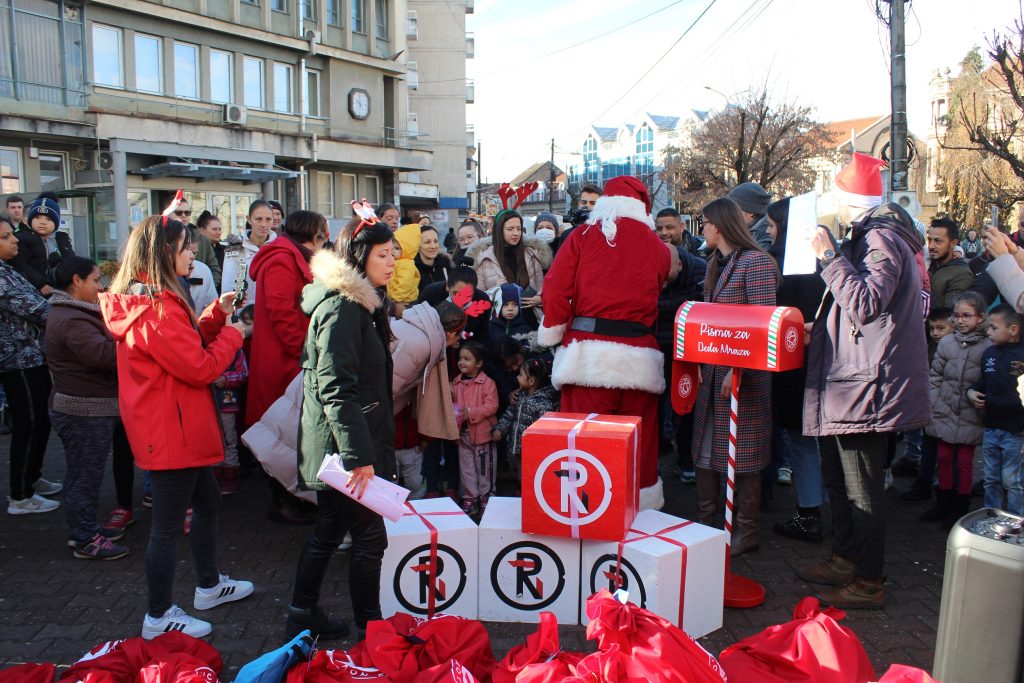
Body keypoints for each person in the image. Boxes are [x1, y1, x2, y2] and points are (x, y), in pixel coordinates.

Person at [101, 214, 253, 638]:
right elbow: (200, 366)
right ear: (164, 252)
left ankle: (207, 585)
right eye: (186, 246)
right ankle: (158, 615)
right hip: (171, 430)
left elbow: (182, 349)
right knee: (167, 527)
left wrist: (215, 317)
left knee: (206, 503)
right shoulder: (155, 308)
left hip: (172, 425)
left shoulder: (154, 302)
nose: (194, 252)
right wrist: (235, 333)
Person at [798, 153, 931, 610]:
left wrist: (829, 257)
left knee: (863, 488)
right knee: (839, 477)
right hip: (853, 379)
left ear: (845, 196)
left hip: (867, 384)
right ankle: (844, 557)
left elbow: (868, 302)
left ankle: (869, 580)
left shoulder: (881, 236)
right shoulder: (874, 234)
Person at [287, 221, 396, 641]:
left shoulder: (359, 304)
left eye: (392, 254)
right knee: (370, 538)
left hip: (340, 445)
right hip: (342, 450)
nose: (390, 262)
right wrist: (359, 458)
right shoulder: (342, 308)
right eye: (382, 254)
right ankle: (370, 629)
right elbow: (336, 389)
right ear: (359, 255)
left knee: (329, 531)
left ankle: (301, 613)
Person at [539, 176, 671, 510]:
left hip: (589, 358)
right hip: (641, 360)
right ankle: (639, 521)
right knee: (638, 447)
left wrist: (553, 332)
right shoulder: (658, 248)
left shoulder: (582, 236)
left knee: (583, 448)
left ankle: (583, 517)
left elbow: (554, 289)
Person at [691, 197, 778, 557]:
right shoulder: (717, 262)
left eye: (706, 222)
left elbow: (763, 322)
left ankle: (745, 530)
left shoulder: (755, 262)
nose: (703, 229)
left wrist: (737, 368)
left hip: (744, 375)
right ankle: (709, 523)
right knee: (708, 447)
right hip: (712, 372)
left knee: (742, 457)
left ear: (721, 225)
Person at [44, 253, 129, 558]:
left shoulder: (75, 312)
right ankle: (85, 538)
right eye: (95, 280)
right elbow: (104, 356)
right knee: (84, 476)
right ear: (76, 281)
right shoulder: (71, 319)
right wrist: (132, 337)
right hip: (82, 411)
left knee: (84, 473)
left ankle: (85, 528)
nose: (100, 286)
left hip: (86, 407)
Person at [247, 210, 325, 524]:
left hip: (290, 359)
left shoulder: (290, 256)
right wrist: (303, 352)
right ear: (313, 232)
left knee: (291, 431)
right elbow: (282, 314)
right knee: (282, 431)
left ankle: (293, 498)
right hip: (284, 361)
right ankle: (282, 501)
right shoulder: (282, 259)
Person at [764, 198, 828, 544]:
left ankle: (809, 511)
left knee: (801, 442)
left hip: (791, 364)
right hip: (826, 360)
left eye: (773, 226)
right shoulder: (827, 261)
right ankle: (821, 503)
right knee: (818, 442)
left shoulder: (778, 265)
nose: (769, 233)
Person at [0, 218, 59, 515]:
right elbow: (38, 308)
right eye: (6, 236)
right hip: (17, 361)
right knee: (29, 423)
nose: (14, 241)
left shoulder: (9, 270)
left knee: (40, 421)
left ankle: (32, 479)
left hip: (34, 356)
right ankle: (20, 496)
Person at [921, 292, 990, 527]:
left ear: (980, 318)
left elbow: (988, 378)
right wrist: (934, 399)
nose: (961, 320)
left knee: (964, 459)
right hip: (945, 408)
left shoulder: (987, 345)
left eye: (967, 316)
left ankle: (960, 507)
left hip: (971, 412)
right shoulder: (948, 342)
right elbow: (935, 375)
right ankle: (943, 501)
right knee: (943, 456)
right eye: (957, 315)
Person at [968, 304, 1024, 515]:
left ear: (1013, 329)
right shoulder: (989, 354)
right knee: (991, 479)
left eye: (993, 328)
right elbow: (982, 382)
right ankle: (991, 518)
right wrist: (971, 392)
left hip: (1015, 431)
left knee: (1013, 481)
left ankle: (1016, 523)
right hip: (991, 428)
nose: (988, 332)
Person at [900, 306, 955, 503]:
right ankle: (924, 483)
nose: (935, 333)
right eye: (932, 329)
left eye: (941, 328)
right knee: (928, 446)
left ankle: (942, 487)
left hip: (947, 407)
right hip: (929, 404)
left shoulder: (954, 348)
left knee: (946, 452)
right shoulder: (929, 345)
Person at [493, 358, 559, 489]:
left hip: (531, 452)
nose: (517, 377)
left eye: (521, 374)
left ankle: (528, 501)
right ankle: (521, 496)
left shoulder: (544, 404)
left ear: (531, 381)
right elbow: (508, 415)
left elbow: (545, 432)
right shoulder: (519, 397)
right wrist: (500, 429)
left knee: (531, 478)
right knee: (519, 476)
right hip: (515, 448)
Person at [451, 342, 499, 515]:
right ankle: (470, 498)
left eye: (467, 359)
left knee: (484, 468)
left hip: (482, 435)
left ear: (479, 363)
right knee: (466, 468)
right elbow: (453, 408)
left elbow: (492, 406)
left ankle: (486, 497)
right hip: (463, 435)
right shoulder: (455, 384)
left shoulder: (487, 383)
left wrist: (470, 412)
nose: (461, 362)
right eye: (460, 359)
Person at [469, 209, 550, 310]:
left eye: (519, 229)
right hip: (498, 321)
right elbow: (477, 298)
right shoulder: (484, 258)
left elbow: (541, 289)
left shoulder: (531, 255)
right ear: (499, 230)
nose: (516, 233)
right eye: (510, 229)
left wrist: (540, 298)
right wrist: (495, 290)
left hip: (530, 319)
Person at [10, 196, 74, 296]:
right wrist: (40, 284)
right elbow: (21, 265)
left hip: (60, 291)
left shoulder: (62, 239)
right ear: (29, 220)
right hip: (33, 292)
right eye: (37, 217)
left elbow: (71, 262)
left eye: (48, 219)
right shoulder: (22, 238)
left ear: (56, 223)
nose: (42, 222)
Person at [221, 199, 277, 300]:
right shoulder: (235, 249)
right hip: (243, 312)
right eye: (258, 219)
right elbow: (228, 289)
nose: (264, 224)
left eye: (268, 219)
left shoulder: (279, 249)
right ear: (249, 219)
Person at [418, 266, 491, 342]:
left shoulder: (482, 300)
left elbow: (483, 335)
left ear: (474, 291)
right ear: (447, 286)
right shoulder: (431, 293)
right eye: (456, 293)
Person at [165, 194, 222, 288]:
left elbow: (214, 269)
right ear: (167, 214)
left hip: (197, 291)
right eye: (178, 212)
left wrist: (206, 287)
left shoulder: (202, 239)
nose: (183, 215)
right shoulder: (159, 238)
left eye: (187, 212)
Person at [213, 347, 248, 496]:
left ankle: (230, 476)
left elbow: (243, 373)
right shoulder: (198, 345)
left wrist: (227, 379)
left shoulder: (234, 350)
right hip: (206, 406)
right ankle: (214, 476)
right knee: (211, 442)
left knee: (228, 441)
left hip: (226, 404)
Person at [927, 217, 974, 307]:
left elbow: (950, 314)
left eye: (938, 241)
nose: (931, 246)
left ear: (953, 243)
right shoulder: (926, 264)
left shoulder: (961, 274)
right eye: (929, 240)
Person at [727, 181, 773, 250]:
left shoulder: (764, 237)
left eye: (734, 210)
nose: (730, 214)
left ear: (751, 212)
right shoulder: (750, 230)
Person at [488, 284, 532, 355]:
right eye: (506, 305)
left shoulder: (525, 329)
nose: (510, 309)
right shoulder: (490, 328)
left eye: (514, 304)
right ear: (497, 306)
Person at [388, 223, 423, 306]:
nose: (392, 251)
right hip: (397, 300)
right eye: (391, 247)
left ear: (408, 249)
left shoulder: (406, 264)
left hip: (405, 302)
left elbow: (404, 285)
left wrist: (395, 299)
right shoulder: (396, 261)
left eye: (397, 248)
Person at [186, 228, 219, 313]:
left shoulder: (203, 270)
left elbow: (211, 307)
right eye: (186, 252)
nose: (192, 257)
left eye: (194, 253)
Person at [415, 225, 452, 293]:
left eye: (435, 241)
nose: (433, 246)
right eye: (427, 242)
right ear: (418, 246)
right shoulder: (412, 269)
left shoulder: (445, 264)